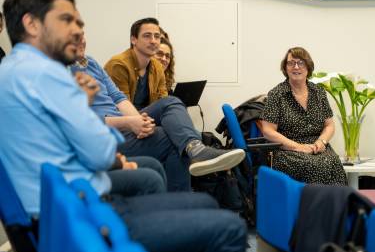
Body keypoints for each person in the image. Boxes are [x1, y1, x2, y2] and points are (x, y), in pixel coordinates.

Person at [0, 0, 246, 252]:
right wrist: (88, 108)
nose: (77, 30)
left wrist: (102, 121)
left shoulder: (17, 71)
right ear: (32, 24)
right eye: (66, 20)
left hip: (75, 204)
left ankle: (192, 155)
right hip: (84, 215)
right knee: (229, 229)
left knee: (203, 201)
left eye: (78, 22)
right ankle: (192, 153)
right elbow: (100, 152)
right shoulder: (45, 75)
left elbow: (88, 137)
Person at [71, 32, 245, 190]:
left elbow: (118, 97)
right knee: (174, 138)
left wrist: (139, 121)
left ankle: (195, 149)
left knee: (172, 102)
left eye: (82, 34)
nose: (154, 42)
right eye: (148, 37)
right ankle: (181, 204)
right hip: (104, 135)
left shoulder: (90, 62)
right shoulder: (61, 73)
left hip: (124, 124)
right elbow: (80, 122)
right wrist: (131, 122)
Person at [260, 47, 347, 185]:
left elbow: (329, 125)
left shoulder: (319, 92)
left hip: (317, 146)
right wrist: (298, 147)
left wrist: (322, 142)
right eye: (291, 63)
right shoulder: (276, 94)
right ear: (285, 68)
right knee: (313, 166)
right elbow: (268, 131)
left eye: (300, 63)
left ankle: (336, 205)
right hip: (288, 149)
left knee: (333, 162)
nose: (296, 67)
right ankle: (311, 205)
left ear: (308, 67)